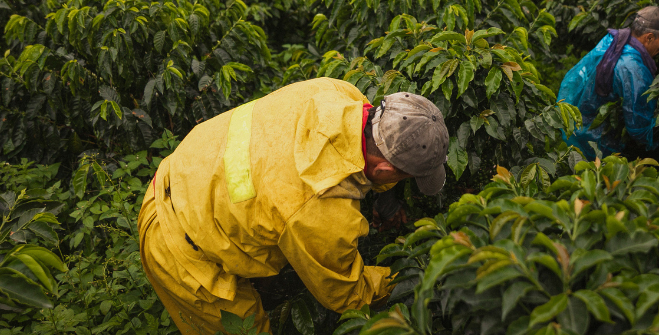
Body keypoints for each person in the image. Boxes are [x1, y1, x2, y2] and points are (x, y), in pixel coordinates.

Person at [138, 77, 448, 335]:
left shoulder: (338, 92)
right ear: (384, 171)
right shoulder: (321, 209)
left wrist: (386, 201)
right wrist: (412, 279)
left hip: (182, 171)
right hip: (176, 248)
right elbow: (345, 293)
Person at [557, 6, 659, 158]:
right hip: (590, 140)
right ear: (649, 37)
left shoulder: (615, 40)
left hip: (569, 120)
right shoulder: (633, 68)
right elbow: (639, 127)